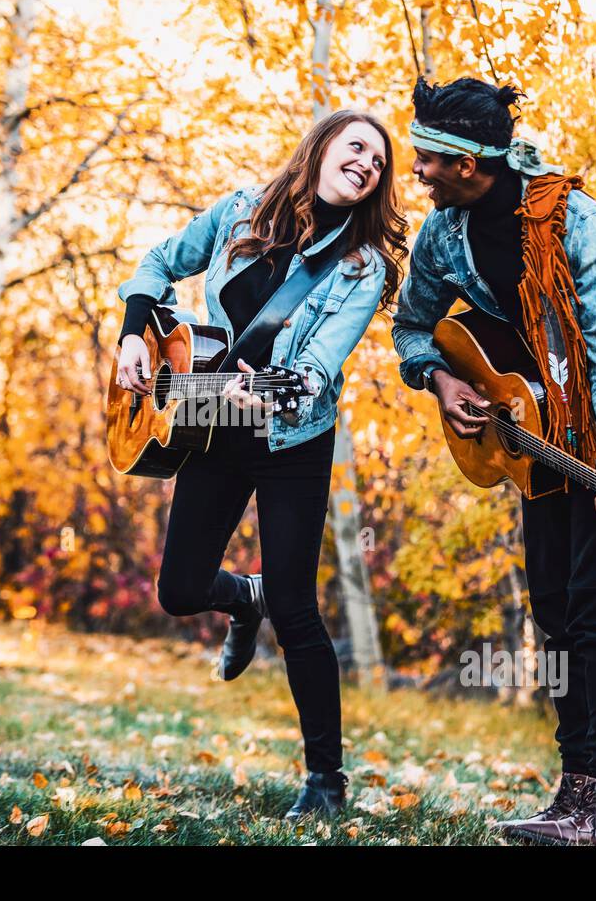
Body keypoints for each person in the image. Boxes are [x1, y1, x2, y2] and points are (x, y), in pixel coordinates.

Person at [392, 77, 596, 844]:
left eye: (427, 158)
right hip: (532, 436)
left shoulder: (574, 220)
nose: (414, 170)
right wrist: (443, 379)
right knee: (554, 613)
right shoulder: (443, 236)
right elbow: (411, 326)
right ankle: (574, 794)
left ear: (470, 163)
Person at [115, 109, 408, 818]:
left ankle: (326, 782)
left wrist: (269, 393)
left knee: (298, 606)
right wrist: (133, 332)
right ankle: (241, 599)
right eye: (357, 146)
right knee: (180, 591)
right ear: (322, 146)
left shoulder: (362, 268)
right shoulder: (240, 210)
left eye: (379, 162)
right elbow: (157, 262)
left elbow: (314, 369)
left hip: (291, 439)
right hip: (210, 425)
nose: (367, 163)